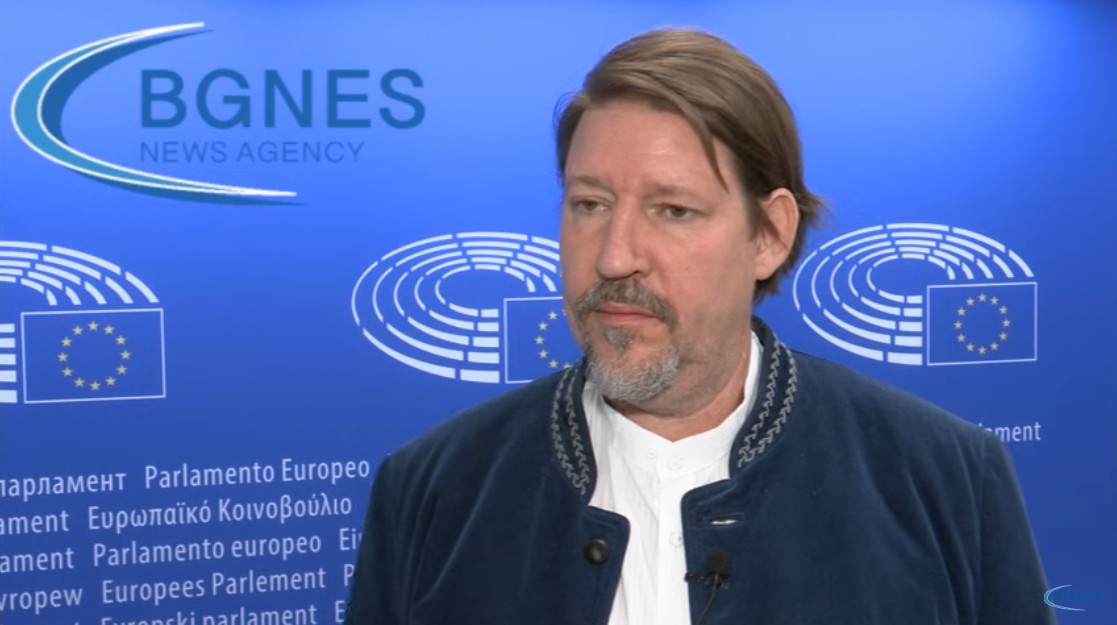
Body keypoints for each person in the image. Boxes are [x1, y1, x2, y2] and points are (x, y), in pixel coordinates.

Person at [345, 28, 1054, 625]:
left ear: (768, 235)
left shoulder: (945, 479)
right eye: (589, 204)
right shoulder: (433, 488)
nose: (614, 256)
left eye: (673, 210)